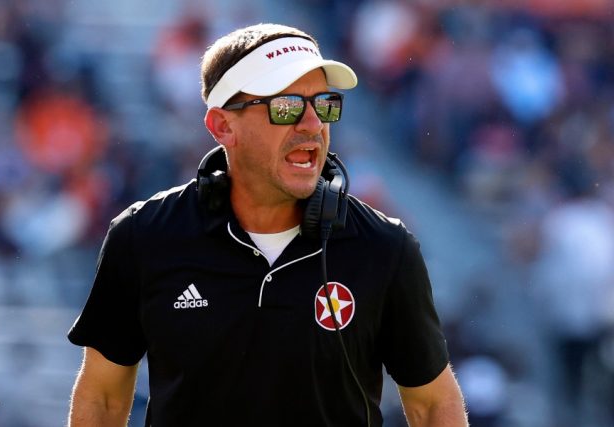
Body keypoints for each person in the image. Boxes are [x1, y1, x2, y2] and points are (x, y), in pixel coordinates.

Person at [67, 23, 469, 427]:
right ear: (222, 126)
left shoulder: (385, 247)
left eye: (324, 104)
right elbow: (103, 397)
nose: (312, 124)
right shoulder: (142, 236)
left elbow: (433, 405)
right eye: (287, 106)